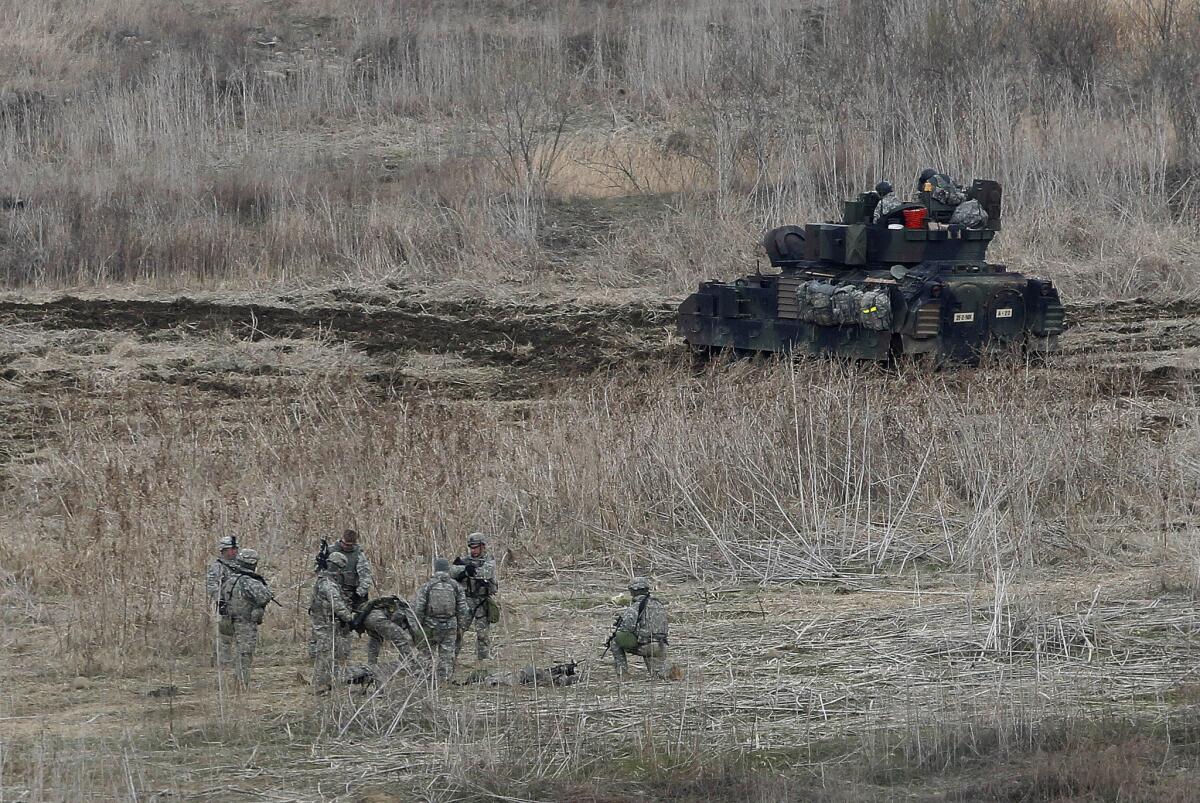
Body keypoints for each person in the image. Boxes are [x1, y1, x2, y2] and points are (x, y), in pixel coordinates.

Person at [218, 549, 275, 687]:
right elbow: (264, 597)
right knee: (245, 654)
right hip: (245, 623)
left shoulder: (230, 579)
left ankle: (234, 681)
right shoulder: (249, 581)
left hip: (228, 621)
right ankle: (241, 683)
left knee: (233, 652)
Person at [414, 558, 469, 681]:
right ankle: (444, 679)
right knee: (447, 654)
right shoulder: (456, 586)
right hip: (450, 626)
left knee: (426, 652)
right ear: (447, 569)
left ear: (435, 569)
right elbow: (463, 609)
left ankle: (426, 678)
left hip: (430, 625)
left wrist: (419, 625)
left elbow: (419, 608)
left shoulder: (427, 586)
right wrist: (461, 627)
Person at [309, 551, 356, 693]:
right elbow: (337, 605)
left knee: (330, 656)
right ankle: (319, 687)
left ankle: (328, 683)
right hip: (326, 625)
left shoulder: (323, 580)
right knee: (325, 656)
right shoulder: (328, 584)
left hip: (325, 624)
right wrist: (351, 618)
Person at [449, 532, 498, 660]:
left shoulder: (489, 560)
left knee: (482, 635)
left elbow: (486, 572)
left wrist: (471, 571)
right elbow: (451, 571)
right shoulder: (465, 560)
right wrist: (464, 570)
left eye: (476, 547)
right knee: (458, 631)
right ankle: (450, 659)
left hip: (482, 601)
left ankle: (484, 659)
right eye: (471, 547)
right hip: (466, 601)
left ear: (483, 546)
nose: (473, 550)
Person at [608, 577, 669, 679]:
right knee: (660, 676)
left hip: (645, 646)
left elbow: (626, 629)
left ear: (633, 591)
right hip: (661, 646)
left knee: (614, 642)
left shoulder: (635, 607)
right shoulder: (658, 604)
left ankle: (623, 674)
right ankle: (672, 673)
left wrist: (619, 627)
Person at [329, 529, 374, 608]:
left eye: (349, 545)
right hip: (332, 590)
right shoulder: (330, 551)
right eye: (344, 543)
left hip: (351, 592)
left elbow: (366, 577)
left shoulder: (358, 555)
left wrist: (358, 594)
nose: (345, 546)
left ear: (354, 543)